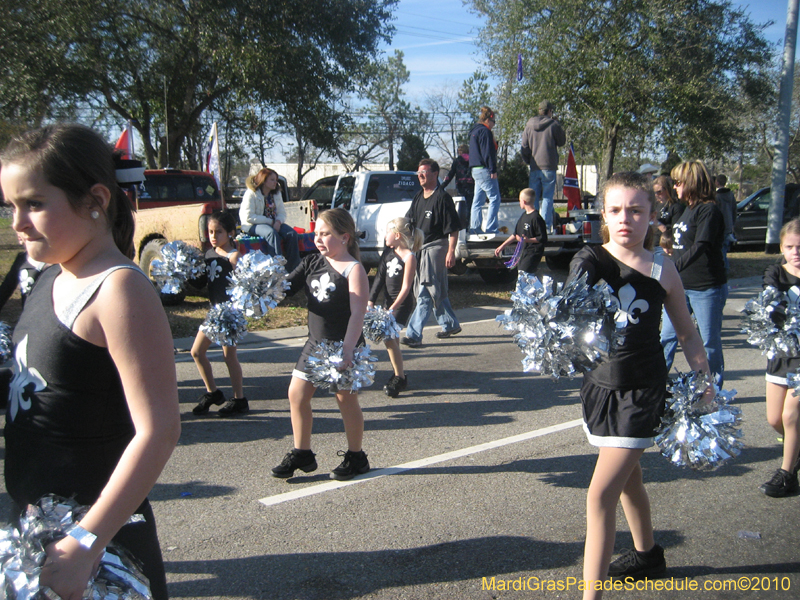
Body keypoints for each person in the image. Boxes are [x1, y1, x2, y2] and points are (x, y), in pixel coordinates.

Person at [0, 124, 180, 600]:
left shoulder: (119, 289)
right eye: (10, 206)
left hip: (96, 550)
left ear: (95, 199)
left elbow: (158, 430)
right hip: (36, 536)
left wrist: (85, 542)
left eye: (33, 204)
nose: (17, 222)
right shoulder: (49, 275)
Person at [568, 172, 711, 598]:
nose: (625, 218)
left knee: (599, 497)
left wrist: (704, 381)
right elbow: (569, 304)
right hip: (599, 388)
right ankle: (648, 555)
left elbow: (686, 333)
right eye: (615, 210)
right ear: (603, 215)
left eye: (636, 209)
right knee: (630, 480)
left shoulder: (664, 269)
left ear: (652, 215)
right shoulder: (591, 261)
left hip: (642, 392)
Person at [271, 208, 370, 481]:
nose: (318, 239)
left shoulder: (354, 269)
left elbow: (358, 314)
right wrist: (263, 287)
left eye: (326, 234)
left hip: (344, 346)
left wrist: (348, 350)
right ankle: (302, 452)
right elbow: (286, 287)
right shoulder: (312, 262)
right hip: (315, 344)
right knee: (296, 395)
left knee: (345, 401)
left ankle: (356, 456)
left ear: (345, 237)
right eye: (316, 233)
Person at [659, 160, 727, 386]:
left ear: (692, 182)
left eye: (678, 183)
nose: (675, 187)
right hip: (680, 286)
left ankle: (713, 389)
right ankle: (655, 382)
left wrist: (672, 268)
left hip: (706, 287)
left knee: (708, 342)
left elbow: (701, 245)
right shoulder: (684, 210)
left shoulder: (709, 210)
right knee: (667, 337)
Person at [190, 210, 248, 417]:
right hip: (213, 313)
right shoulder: (209, 254)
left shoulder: (234, 256)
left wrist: (225, 256)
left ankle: (239, 399)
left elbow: (241, 284)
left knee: (228, 355)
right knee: (196, 352)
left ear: (231, 233)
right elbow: (201, 284)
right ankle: (212, 392)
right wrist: (187, 273)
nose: (213, 236)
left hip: (230, 314)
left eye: (219, 232)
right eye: (210, 232)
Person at [758, 218, 800, 497]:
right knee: (775, 419)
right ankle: (795, 451)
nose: (796, 251)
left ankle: (787, 475)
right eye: (790, 246)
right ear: (782, 247)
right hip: (781, 354)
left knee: (791, 415)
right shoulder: (776, 273)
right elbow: (770, 298)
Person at [401, 159, 462, 348]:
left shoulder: (442, 198)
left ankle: (413, 334)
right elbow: (408, 221)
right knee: (436, 288)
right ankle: (450, 324)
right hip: (420, 248)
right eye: (418, 172)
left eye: (425, 172)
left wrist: (451, 251)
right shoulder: (418, 196)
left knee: (426, 291)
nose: (420, 175)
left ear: (435, 174)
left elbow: (453, 229)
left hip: (436, 248)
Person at [368, 217, 423, 397]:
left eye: (387, 232)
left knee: (389, 338)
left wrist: (393, 308)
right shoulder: (387, 253)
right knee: (393, 341)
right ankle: (397, 372)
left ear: (397, 235)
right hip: (387, 303)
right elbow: (379, 278)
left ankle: (399, 377)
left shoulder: (410, 257)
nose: (385, 236)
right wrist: (370, 299)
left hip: (401, 304)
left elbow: (407, 287)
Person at [239, 167, 300, 271]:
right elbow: (248, 217)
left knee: (291, 234)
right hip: (252, 225)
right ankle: (276, 268)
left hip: (273, 223)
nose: (275, 182)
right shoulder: (251, 193)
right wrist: (271, 222)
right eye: (272, 180)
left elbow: (282, 212)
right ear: (263, 180)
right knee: (271, 234)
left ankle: (294, 269)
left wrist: (278, 221)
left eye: (276, 180)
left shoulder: (276, 194)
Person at [521, 100, 566, 231]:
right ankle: (544, 226)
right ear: (550, 111)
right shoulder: (553, 124)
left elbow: (524, 146)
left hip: (535, 166)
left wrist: (529, 161)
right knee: (547, 197)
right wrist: (558, 124)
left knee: (532, 198)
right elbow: (562, 141)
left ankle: (531, 226)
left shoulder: (529, 125)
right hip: (549, 165)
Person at [494, 188, 548, 274]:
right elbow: (515, 234)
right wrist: (501, 246)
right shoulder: (523, 216)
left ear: (524, 201)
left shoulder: (536, 218)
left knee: (525, 273)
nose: (519, 202)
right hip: (524, 251)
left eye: (520, 200)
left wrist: (528, 240)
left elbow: (542, 238)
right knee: (521, 272)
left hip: (533, 252)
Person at [468, 106, 501, 237]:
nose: (494, 125)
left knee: (478, 200)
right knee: (495, 198)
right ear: (488, 120)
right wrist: (493, 169)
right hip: (484, 169)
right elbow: (488, 152)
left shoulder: (474, 131)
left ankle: (474, 228)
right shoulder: (485, 132)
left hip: (475, 170)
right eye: (494, 122)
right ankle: (491, 228)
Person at [442, 144, 475, 226]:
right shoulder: (473, 160)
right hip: (471, 185)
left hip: (460, 185)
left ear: (460, 152)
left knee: (462, 206)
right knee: (470, 206)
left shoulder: (457, 161)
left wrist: (443, 185)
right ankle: (470, 224)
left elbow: (451, 174)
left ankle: (462, 225)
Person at [715, 174, 737, 272]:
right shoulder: (730, 194)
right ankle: (725, 267)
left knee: (721, 249)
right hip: (729, 224)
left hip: (720, 226)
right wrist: (732, 223)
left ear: (717, 182)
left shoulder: (717, 196)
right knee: (725, 247)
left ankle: (724, 268)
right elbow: (734, 210)